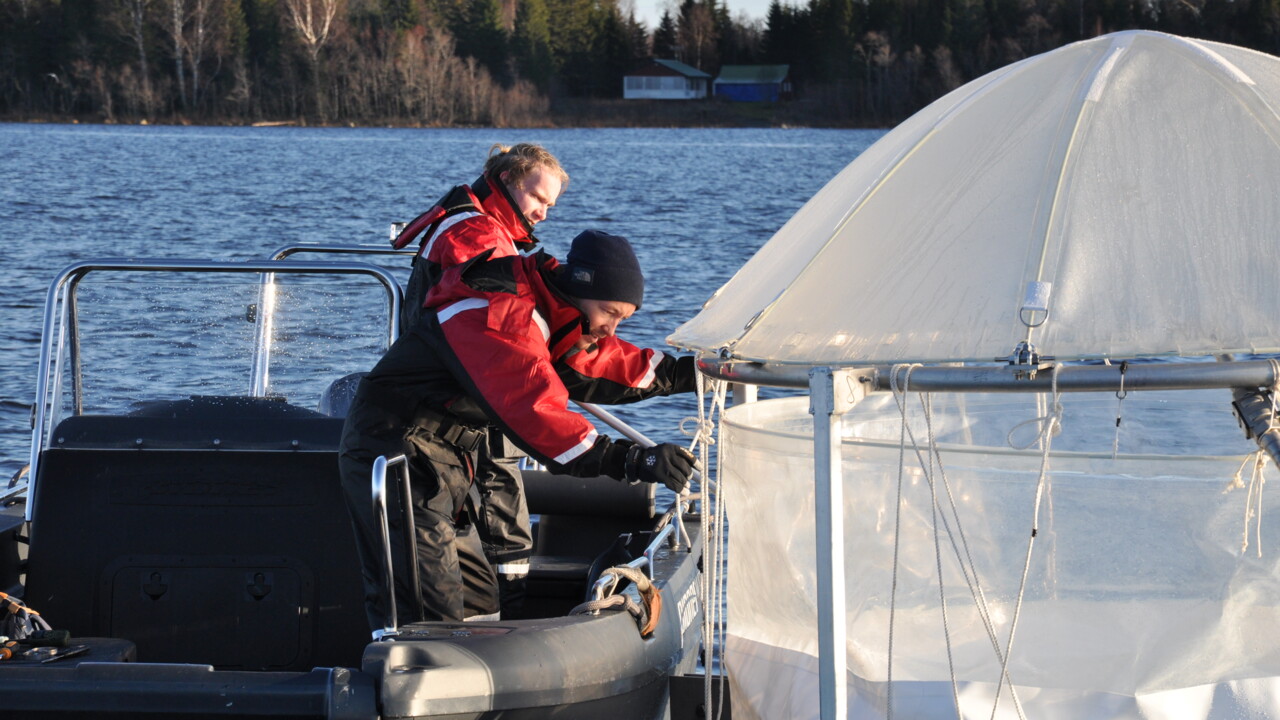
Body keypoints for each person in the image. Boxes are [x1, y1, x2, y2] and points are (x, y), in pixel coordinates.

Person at [339, 230, 699, 628]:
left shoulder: (549, 312)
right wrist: (633, 458)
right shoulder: (499, 313)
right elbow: (539, 415)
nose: (611, 329)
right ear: (579, 287)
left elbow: (597, 364)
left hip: (448, 459)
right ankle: (417, 677)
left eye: (623, 319)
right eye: (609, 313)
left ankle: (482, 674)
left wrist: (688, 373)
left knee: (480, 594)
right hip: (398, 451)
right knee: (427, 609)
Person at [391, 143, 568, 612]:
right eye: (538, 198)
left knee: (490, 482)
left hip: (445, 386)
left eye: (550, 206)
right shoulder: (476, 235)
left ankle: (498, 598)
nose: (543, 214)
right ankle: (511, 604)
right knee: (498, 477)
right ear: (508, 179)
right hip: (460, 392)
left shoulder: (473, 223)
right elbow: (491, 325)